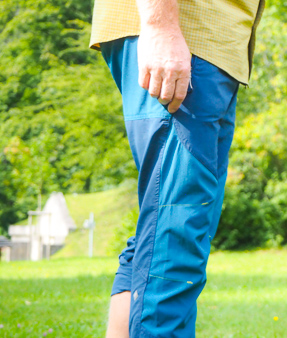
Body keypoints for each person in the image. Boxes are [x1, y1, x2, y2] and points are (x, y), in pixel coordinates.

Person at [89, 0, 264, 336]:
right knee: (174, 234)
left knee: (162, 229)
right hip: (186, 31)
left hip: (213, 43)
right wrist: (161, 25)